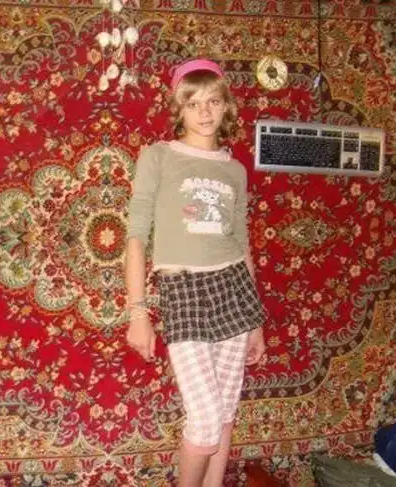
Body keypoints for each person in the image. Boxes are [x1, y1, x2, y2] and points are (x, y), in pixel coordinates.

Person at [125, 58, 268, 487]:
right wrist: (138, 313)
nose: (204, 112)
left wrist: (256, 323)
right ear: (179, 108)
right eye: (193, 103)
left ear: (226, 106)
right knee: (204, 419)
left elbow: (242, 245)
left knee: (224, 413)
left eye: (213, 101)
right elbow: (136, 237)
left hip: (235, 290)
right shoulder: (158, 156)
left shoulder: (234, 170)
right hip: (183, 287)